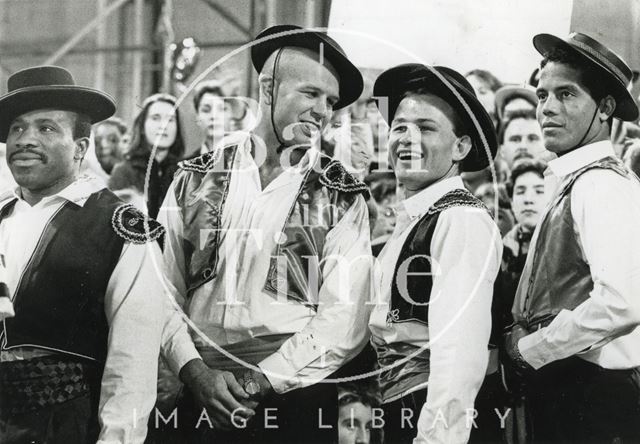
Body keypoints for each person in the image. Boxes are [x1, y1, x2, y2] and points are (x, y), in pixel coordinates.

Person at [158, 25, 371, 443]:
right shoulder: (195, 178)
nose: (322, 111)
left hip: (292, 396)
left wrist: (261, 381)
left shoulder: (341, 192)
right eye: (310, 94)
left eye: (330, 102)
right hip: (198, 388)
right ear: (268, 88)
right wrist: (195, 370)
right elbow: (161, 288)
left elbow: (346, 317)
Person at [0, 66, 165, 443]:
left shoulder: (122, 225)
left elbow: (132, 367)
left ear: (80, 147)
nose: (26, 139)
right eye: (17, 128)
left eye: (46, 128)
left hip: (68, 427)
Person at [506, 32, 640, 442]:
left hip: (592, 399)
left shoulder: (600, 185)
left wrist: (531, 350)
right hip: (570, 392)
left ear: (605, 108)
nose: (547, 108)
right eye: (542, 95)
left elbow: (623, 301)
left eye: (566, 95)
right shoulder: (575, 180)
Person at [368, 63, 502, 443]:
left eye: (426, 128)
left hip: (436, 419)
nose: (407, 139)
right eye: (399, 127)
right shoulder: (416, 218)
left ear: (461, 146)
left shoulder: (460, 218)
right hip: (402, 407)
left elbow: (458, 355)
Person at [109, 93, 185, 217]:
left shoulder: (185, 173)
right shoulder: (124, 172)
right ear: (142, 127)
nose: (163, 125)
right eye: (156, 118)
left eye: (170, 120)